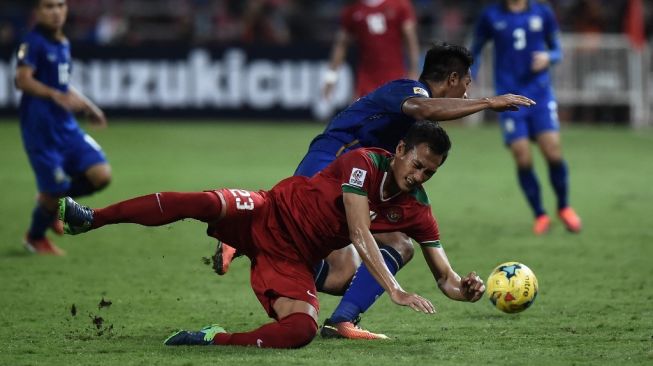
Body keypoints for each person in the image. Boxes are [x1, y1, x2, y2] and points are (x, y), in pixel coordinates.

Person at [58, 122, 486, 349]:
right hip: (268, 211)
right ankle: (89, 217)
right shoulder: (363, 163)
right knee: (205, 203)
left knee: (300, 331)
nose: (419, 175)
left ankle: (212, 339)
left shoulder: (417, 209)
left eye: (430, 171)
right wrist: (393, 289)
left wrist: (464, 289)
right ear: (399, 152)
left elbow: (445, 277)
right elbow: (358, 230)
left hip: (290, 260)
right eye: (417, 163)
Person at [215, 42, 535, 339]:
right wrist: (489, 103)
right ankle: (241, 234)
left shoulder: (414, 138)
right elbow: (424, 109)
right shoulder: (408, 91)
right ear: (453, 78)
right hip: (332, 159)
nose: (468, 94)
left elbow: (444, 277)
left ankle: (342, 320)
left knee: (349, 269)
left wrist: (462, 288)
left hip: (355, 176)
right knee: (292, 225)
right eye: (467, 85)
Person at [470, 0, 581, 235]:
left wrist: (548, 57)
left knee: (552, 151)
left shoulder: (542, 12)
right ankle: (540, 214)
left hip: (540, 93)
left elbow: (557, 50)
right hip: (510, 96)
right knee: (522, 157)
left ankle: (564, 206)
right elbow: (476, 49)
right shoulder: (491, 15)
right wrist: (470, 73)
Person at [16, 0, 111, 255]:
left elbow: (63, 83)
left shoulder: (63, 42)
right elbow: (22, 80)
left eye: (60, 5)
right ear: (37, 12)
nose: (56, 11)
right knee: (54, 190)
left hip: (66, 127)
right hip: (41, 130)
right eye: (48, 6)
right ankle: (35, 237)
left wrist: (91, 107)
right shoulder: (33, 42)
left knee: (101, 175)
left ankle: (53, 202)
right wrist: (54, 95)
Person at [322, 0, 420, 100]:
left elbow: (411, 40)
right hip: (366, 80)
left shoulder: (399, 5)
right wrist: (331, 78)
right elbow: (341, 45)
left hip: (396, 76)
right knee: (359, 113)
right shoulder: (352, 10)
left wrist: (413, 71)